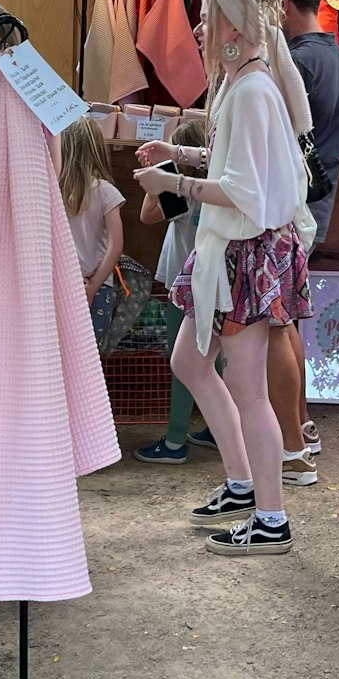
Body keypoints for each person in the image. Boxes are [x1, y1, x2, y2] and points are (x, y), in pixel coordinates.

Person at [134, 0, 316, 555]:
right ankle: (243, 485)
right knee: (190, 362)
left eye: (209, 22)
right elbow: (238, 166)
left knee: (249, 392)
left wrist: (170, 184)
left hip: (246, 255)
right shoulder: (244, 84)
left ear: (236, 27)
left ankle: (271, 518)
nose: (201, 32)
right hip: (235, 250)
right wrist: (176, 153)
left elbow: (243, 190)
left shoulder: (251, 91)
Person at [275, 0, 339, 471]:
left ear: (282, 6)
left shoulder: (298, 64)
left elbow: (275, 142)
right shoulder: (338, 58)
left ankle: (294, 433)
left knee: (279, 324)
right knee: (286, 323)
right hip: (313, 204)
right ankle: (297, 424)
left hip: (293, 205)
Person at [132, 119, 208, 464]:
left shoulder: (178, 188)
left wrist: (153, 181)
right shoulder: (213, 186)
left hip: (182, 282)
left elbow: (147, 217)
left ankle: (175, 440)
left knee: (182, 363)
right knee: (216, 359)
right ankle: (221, 428)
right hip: (213, 281)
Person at [59, 117, 126, 339]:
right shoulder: (107, 192)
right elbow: (116, 246)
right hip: (98, 284)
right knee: (90, 358)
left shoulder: (52, 190)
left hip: (59, 283)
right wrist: (93, 286)